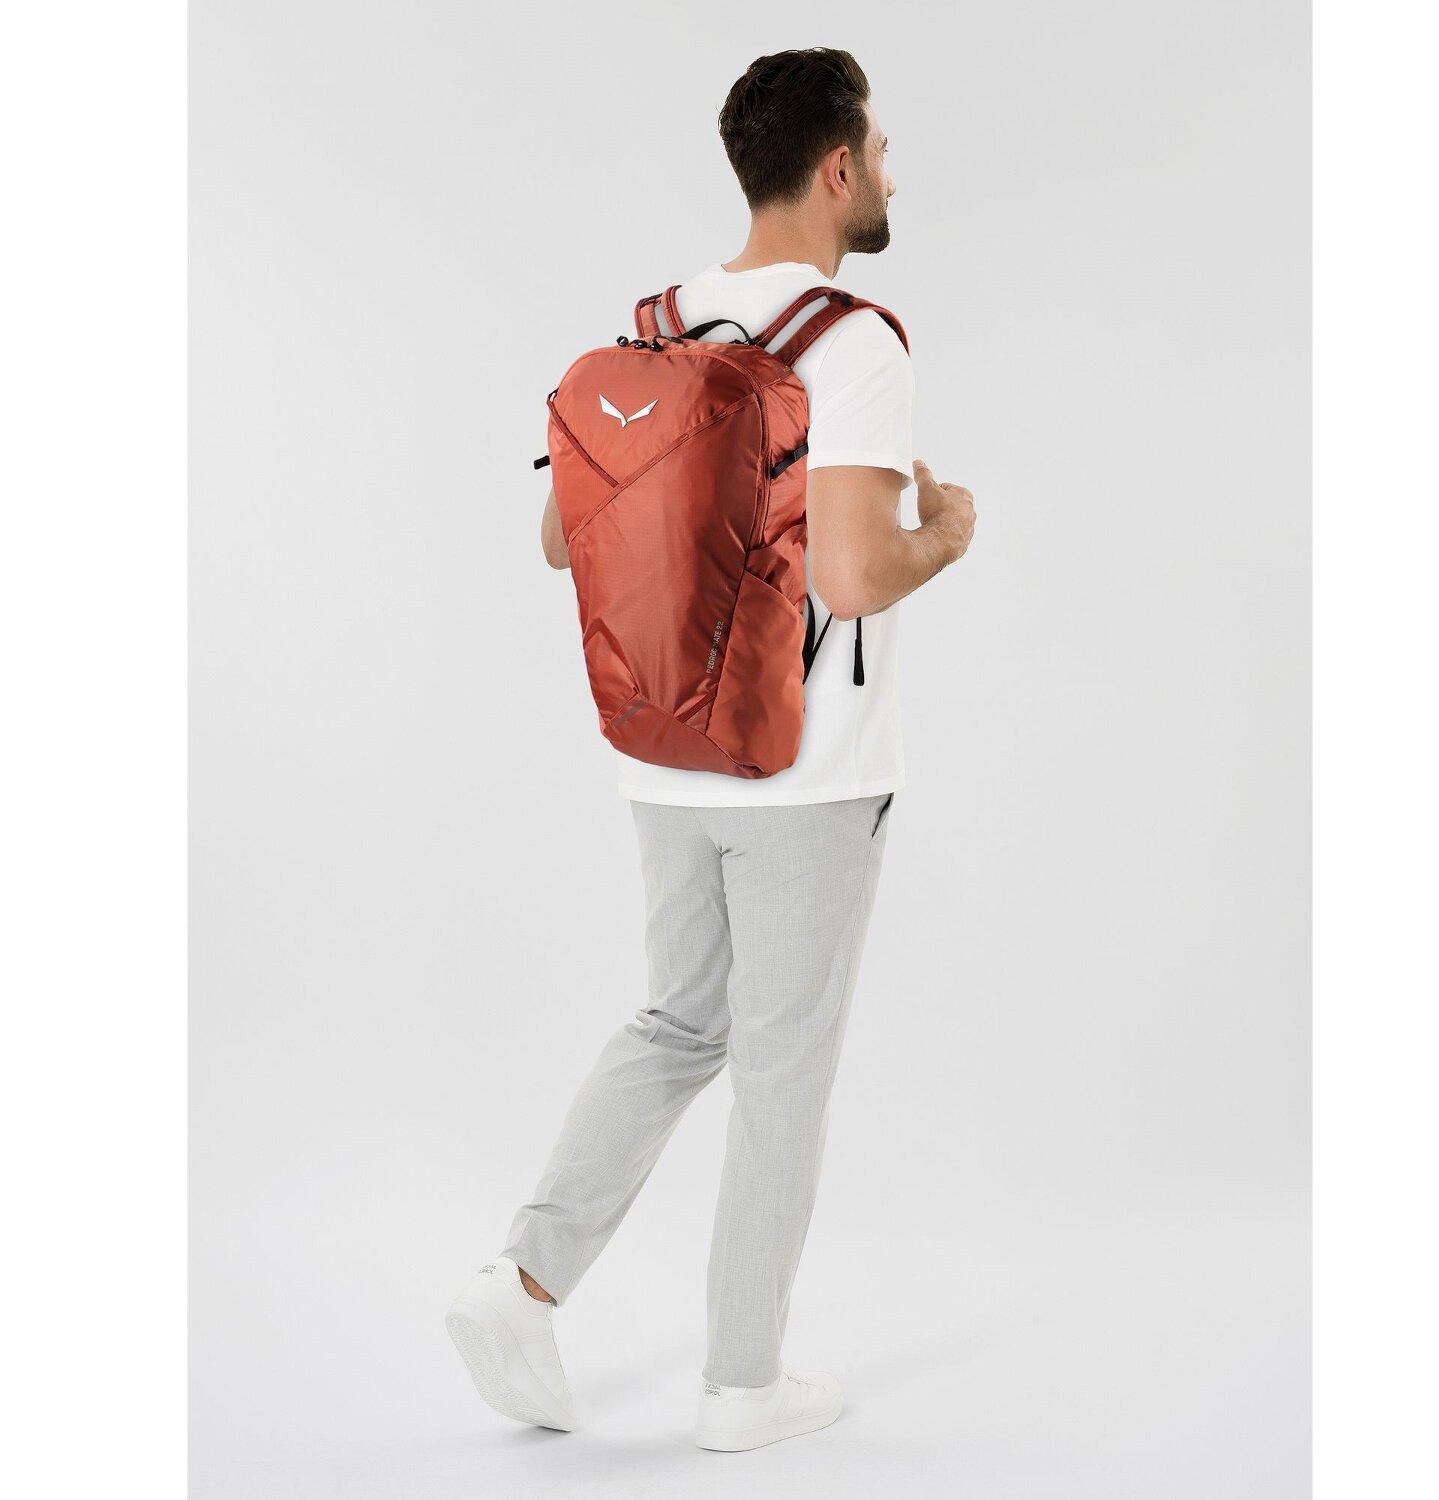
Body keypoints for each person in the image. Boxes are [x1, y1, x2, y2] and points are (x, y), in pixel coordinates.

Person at [446, 46, 976, 1452]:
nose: (891, 174)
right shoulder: (851, 343)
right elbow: (852, 575)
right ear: (836, 168)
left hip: (661, 749)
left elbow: (562, 538)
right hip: (809, 768)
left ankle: (518, 1283)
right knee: (782, 1068)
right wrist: (945, 535)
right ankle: (745, 1385)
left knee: (679, 1024)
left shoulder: (653, 326)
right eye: (880, 151)